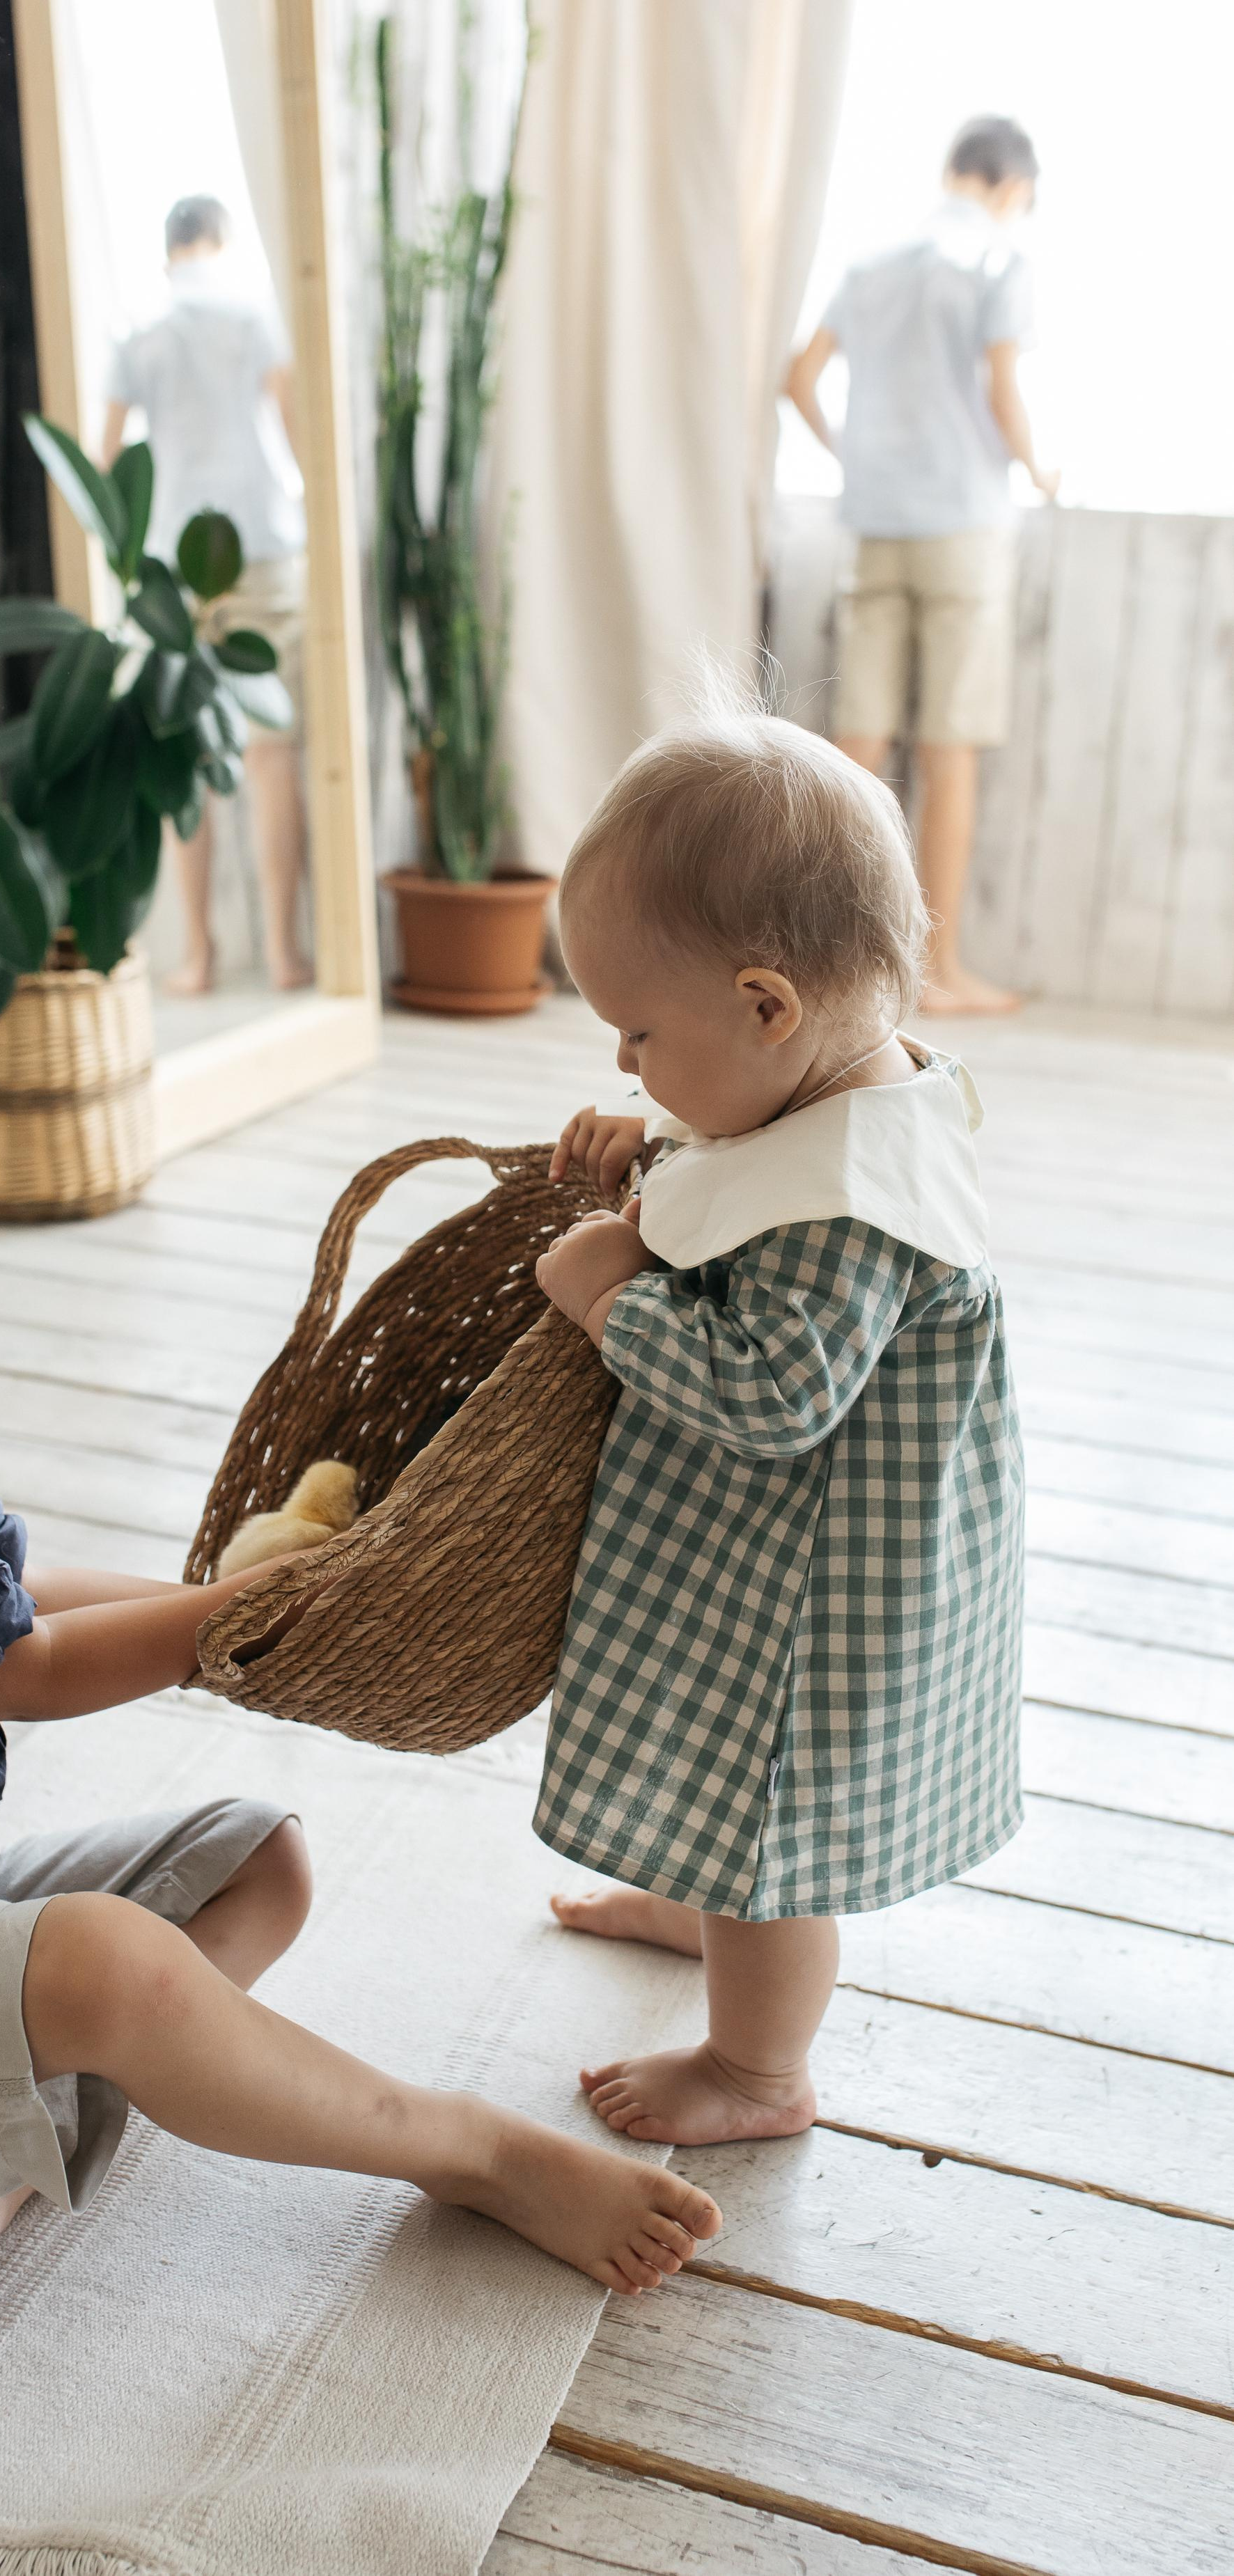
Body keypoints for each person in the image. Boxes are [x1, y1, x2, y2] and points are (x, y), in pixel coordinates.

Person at [0, 938, 721, 2366]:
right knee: (105, 1961)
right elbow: (21, 1667)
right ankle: (463, 2147)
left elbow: (2, 1590)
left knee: (257, 1854)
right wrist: (239, 1621)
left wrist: (220, 1593)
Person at [540, 709, 1024, 2146]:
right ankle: (704, 1901)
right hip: (764, 1557)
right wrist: (661, 1145)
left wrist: (611, 1296)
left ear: (767, 1007)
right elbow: (738, 1139)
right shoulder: (815, 1079)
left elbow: (775, 1391)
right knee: (716, 1779)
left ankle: (759, 2067)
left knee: (770, 1832)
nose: (628, 1062)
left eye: (638, 1032)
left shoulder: (850, 1199)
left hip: (818, 1594)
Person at [786, 115, 1059, 1016]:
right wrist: (1036, 470)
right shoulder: (996, 262)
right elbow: (1001, 388)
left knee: (852, 754)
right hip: (958, 527)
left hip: (871, 523)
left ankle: (829, 966)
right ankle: (935, 974)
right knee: (948, 751)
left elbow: (798, 377)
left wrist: (848, 462)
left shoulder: (871, 262)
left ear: (951, 171)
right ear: (1011, 189)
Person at [105, 195, 311, 996]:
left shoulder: (140, 325)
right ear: (219, 243)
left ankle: (198, 954)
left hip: (169, 562)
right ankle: (286, 954)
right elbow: (292, 424)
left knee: (182, 761)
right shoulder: (253, 311)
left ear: (169, 252)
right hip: (258, 543)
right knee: (271, 754)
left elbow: (108, 456)